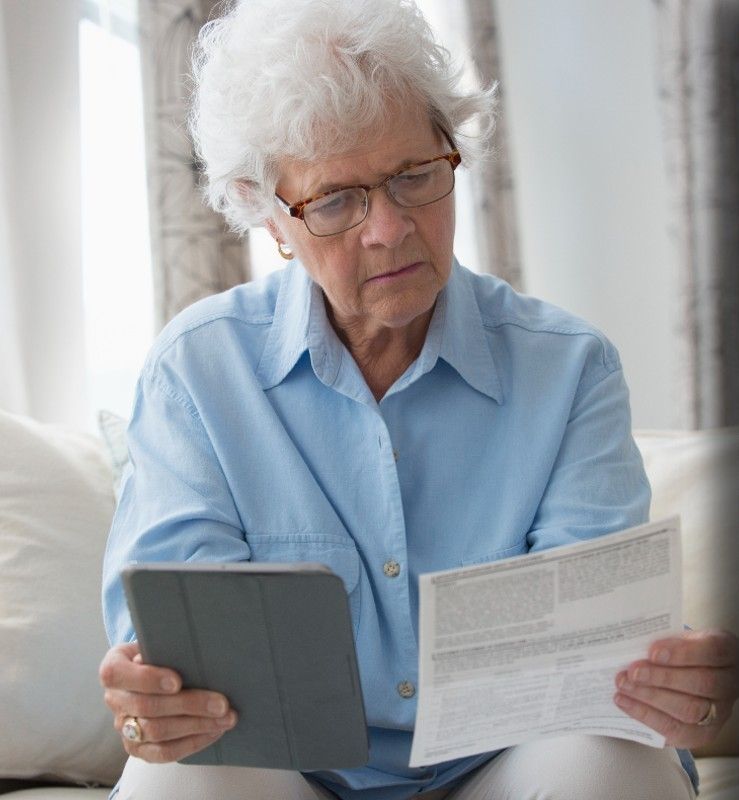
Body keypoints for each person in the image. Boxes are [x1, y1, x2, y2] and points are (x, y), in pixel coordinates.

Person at [99, 0, 739, 798]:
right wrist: (151, 706)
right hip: (294, 776)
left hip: (507, 762)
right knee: (177, 784)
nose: (390, 229)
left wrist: (667, 681)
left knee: (606, 767)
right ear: (271, 218)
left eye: (415, 177)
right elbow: (169, 646)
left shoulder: (569, 367)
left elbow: (596, 652)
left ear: (452, 154)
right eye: (335, 200)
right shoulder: (197, 370)